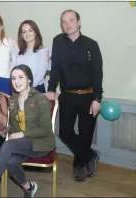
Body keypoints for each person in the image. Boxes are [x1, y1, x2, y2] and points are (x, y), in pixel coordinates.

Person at [0, 65, 55, 198]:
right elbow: (11, 125)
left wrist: (22, 134)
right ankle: (29, 188)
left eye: (21, 77)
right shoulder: (13, 100)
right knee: (10, 161)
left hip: (40, 144)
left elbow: (45, 129)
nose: (17, 81)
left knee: (10, 144)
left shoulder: (40, 99)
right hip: (21, 144)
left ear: (29, 80)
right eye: (13, 78)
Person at [46, 10, 102, 181]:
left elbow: (97, 73)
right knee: (65, 132)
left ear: (79, 22)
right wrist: (50, 88)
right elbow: (55, 68)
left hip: (88, 96)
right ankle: (91, 155)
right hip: (67, 96)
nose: (67, 24)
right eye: (64, 21)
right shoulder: (58, 41)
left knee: (85, 134)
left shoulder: (91, 44)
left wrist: (97, 99)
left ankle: (79, 168)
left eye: (71, 20)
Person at [14, 20, 51, 93]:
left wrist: (26, 88)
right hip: (19, 90)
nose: (27, 34)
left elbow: (40, 76)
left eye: (30, 30)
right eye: (24, 32)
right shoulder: (17, 52)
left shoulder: (43, 51)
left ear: (35, 33)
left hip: (36, 90)